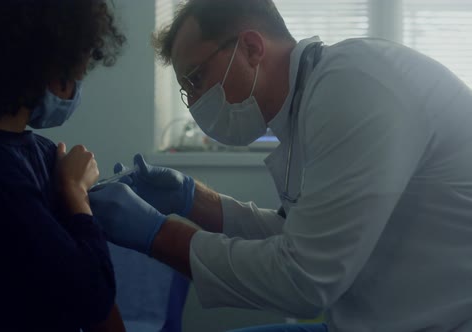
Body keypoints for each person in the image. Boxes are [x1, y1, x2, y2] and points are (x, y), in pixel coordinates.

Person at [87, 0, 472, 331]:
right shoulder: (305, 106)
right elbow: (299, 235)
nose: (195, 101)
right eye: (186, 92)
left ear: (252, 47)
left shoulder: (354, 87)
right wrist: (193, 200)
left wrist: (157, 234)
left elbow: (304, 279)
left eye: (197, 78)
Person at [0, 0, 126, 330]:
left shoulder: (36, 153)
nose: (75, 84)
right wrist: (76, 192)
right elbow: (90, 295)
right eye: (76, 70)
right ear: (49, 65)